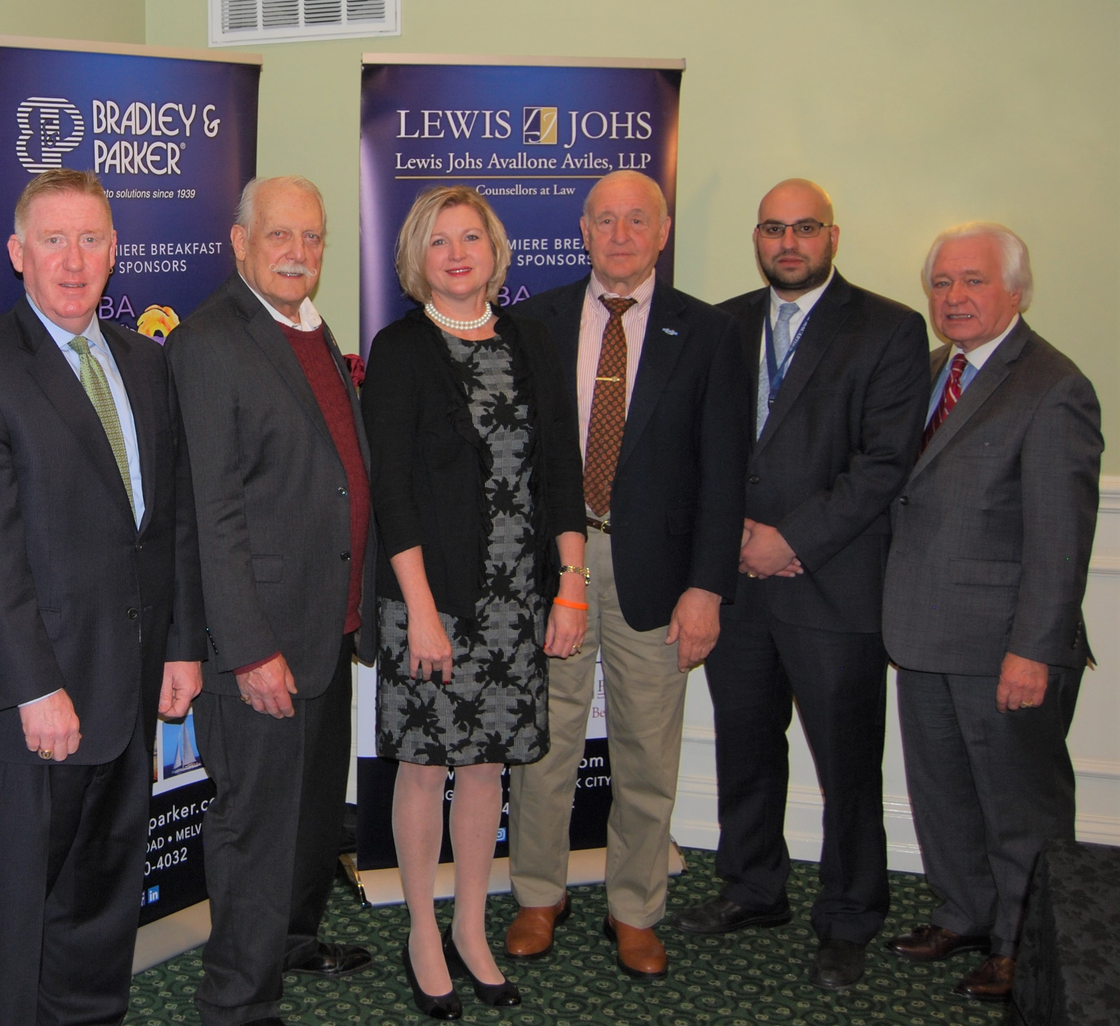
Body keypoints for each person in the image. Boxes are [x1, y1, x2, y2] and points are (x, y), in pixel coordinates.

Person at [0, 169, 204, 1025]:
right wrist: (35, 687)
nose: (74, 260)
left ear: (115, 252)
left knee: (100, 901)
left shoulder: (147, 363)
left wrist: (183, 643)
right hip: (31, 703)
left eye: (91, 239)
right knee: (18, 917)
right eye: (53, 240)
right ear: (17, 254)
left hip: (125, 685)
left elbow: (171, 520)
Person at [671, 179, 930, 990]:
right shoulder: (724, 322)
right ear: (757, 237)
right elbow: (695, 443)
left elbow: (886, 461)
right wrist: (731, 545)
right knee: (747, 748)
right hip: (736, 585)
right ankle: (754, 887)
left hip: (831, 586)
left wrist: (790, 539)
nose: (789, 242)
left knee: (847, 763)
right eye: (774, 228)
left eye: (805, 228)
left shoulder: (889, 328)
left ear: (833, 235)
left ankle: (850, 916)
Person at [502, 170, 750, 980]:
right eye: (604, 220)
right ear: (583, 229)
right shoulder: (534, 322)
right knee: (546, 743)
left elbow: (724, 471)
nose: (619, 234)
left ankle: (634, 906)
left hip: (660, 574)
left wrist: (707, 585)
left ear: (663, 229)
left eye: (635, 219)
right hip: (558, 569)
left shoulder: (707, 332)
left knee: (647, 750)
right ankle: (539, 892)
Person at [360, 187, 588, 1017]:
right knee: (425, 767)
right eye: (438, 241)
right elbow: (395, 491)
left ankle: (470, 928)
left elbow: (561, 469)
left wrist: (570, 585)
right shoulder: (400, 348)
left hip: (515, 601)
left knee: (488, 764)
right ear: (416, 258)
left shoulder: (532, 339)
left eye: (471, 238)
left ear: (496, 249)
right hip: (431, 596)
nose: (457, 254)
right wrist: (419, 608)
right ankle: (423, 929)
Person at [166, 176, 376, 1026]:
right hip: (265, 640)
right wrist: (248, 647)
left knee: (313, 813)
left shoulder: (311, 330)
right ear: (239, 241)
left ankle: (289, 941)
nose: (299, 252)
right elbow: (209, 508)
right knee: (255, 826)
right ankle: (238, 999)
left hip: (329, 622)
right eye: (280, 235)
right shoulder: (211, 341)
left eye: (314, 238)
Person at [881, 223, 1101, 1004]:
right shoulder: (936, 370)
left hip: (1005, 648)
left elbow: (1061, 538)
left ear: (1017, 290)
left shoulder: (1053, 385)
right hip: (924, 633)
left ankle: (1023, 942)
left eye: (973, 281)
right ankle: (964, 913)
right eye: (942, 283)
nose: (955, 297)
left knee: (1021, 810)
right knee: (942, 794)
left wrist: (1033, 649)